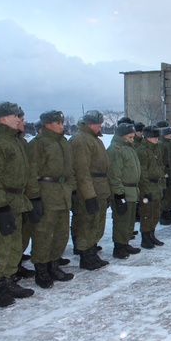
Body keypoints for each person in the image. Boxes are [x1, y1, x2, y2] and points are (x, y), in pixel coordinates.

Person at [0, 101, 38, 307]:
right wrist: (0, 206)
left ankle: (8, 279)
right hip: (3, 201)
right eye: (14, 116)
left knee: (14, 245)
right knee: (1, 246)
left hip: (17, 200)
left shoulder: (15, 140)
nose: (19, 119)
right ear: (2, 119)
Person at [26, 110, 76, 288]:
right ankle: (41, 269)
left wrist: (72, 188)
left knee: (61, 233)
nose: (61, 126)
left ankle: (53, 265)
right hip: (46, 193)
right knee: (43, 233)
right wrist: (34, 197)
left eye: (62, 123)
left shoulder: (64, 142)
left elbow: (71, 170)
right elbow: (31, 172)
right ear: (47, 125)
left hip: (63, 193)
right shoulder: (38, 144)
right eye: (57, 123)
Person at [69, 110, 110, 270]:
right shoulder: (81, 140)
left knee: (96, 223)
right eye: (98, 124)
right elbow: (82, 171)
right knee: (88, 223)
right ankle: (86, 256)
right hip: (91, 188)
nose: (100, 126)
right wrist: (89, 195)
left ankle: (91, 252)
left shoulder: (93, 139)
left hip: (99, 187)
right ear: (89, 124)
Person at [107, 123, 142, 258]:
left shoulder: (128, 148)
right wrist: (119, 194)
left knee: (129, 220)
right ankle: (119, 246)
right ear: (122, 136)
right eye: (130, 137)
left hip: (132, 190)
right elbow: (114, 174)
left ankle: (125, 242)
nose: (133, 139)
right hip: (123, 190)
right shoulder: (116, 150)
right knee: (122, 220)